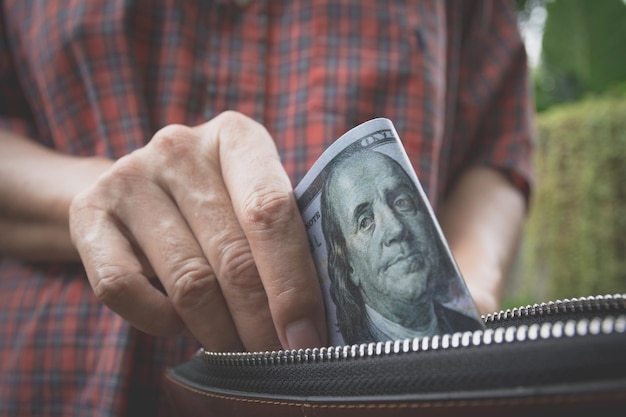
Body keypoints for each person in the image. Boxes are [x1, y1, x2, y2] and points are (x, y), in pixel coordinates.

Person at [0, 1, 533, 416]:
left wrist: (468, 299)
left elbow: (497, 146)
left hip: (388, 392)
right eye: (366, 218)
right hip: (52, 377)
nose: (393, 229)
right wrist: (106, 196)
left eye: (395, 204)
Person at [320, 149, 484, 344]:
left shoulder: (467, 328)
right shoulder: (344, 361)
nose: (396, 229)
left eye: (402, 202)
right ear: (349, 267)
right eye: (365, 222)